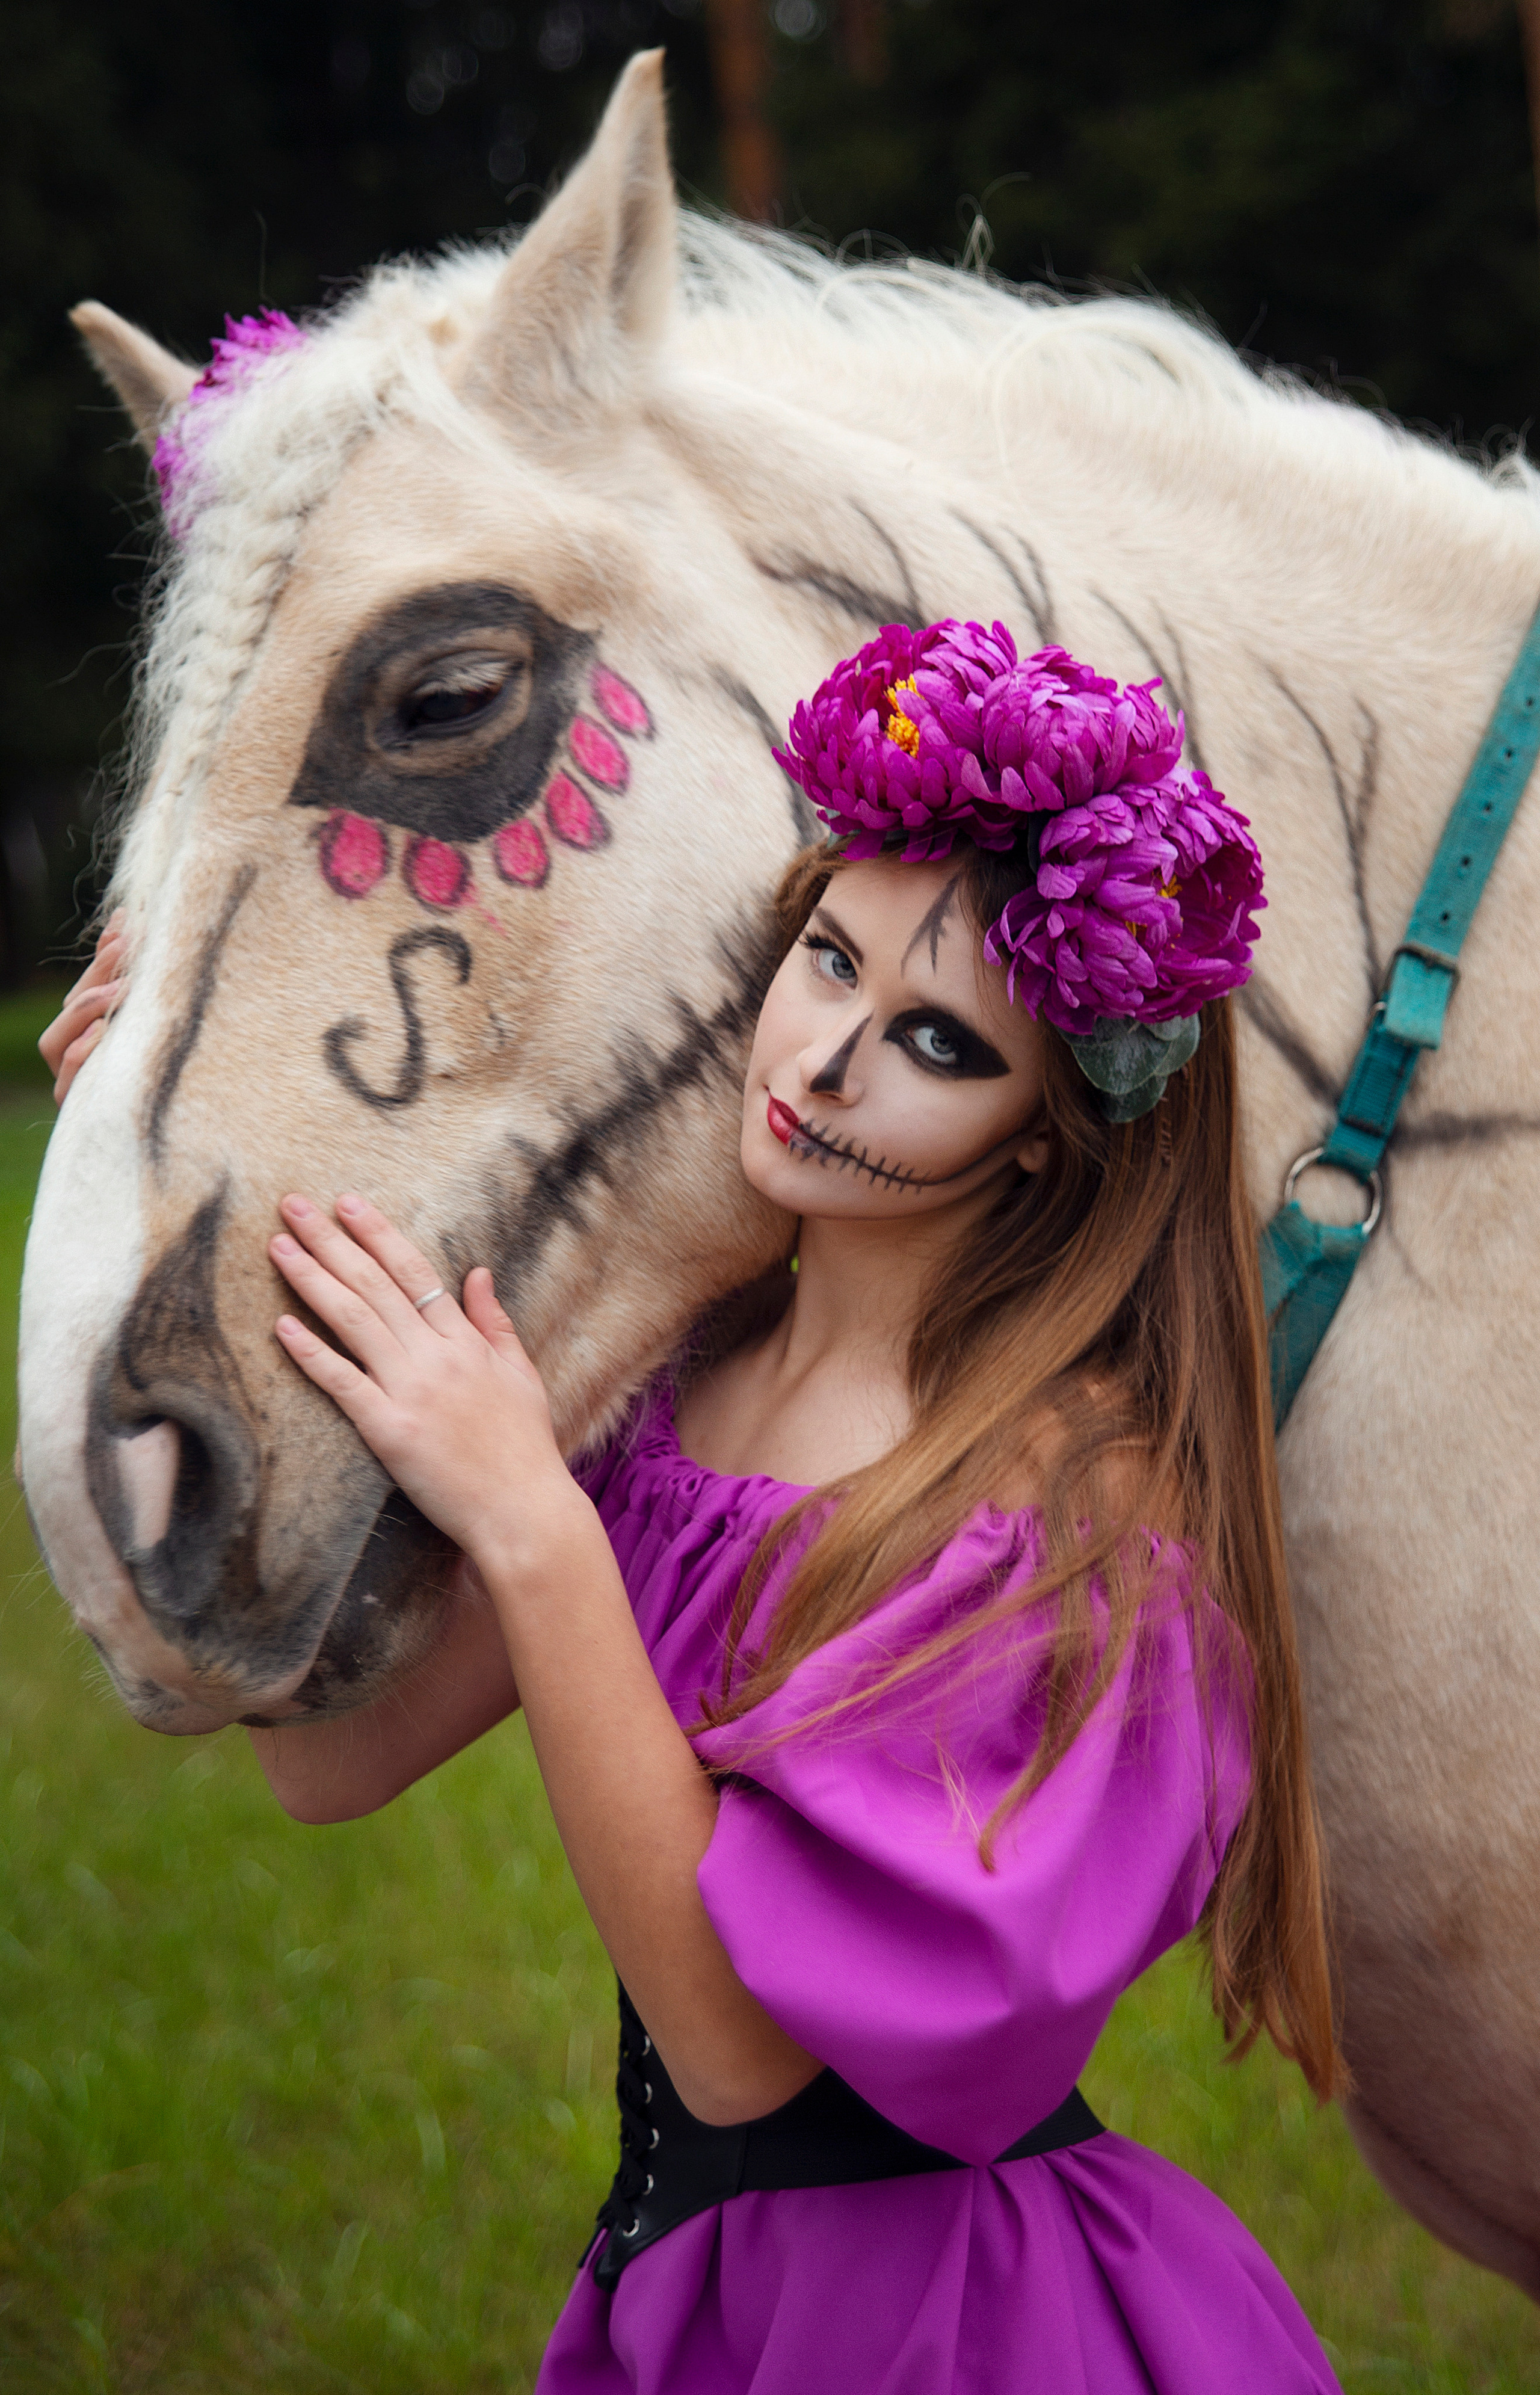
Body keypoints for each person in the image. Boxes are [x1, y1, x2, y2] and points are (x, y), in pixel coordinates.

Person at [43, 621, 1343, 2392]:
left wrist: (531, 1522)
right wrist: (157, 1175)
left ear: (1049, 1132)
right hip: (697, 2305)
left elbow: (739, 2058)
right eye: (829, 960)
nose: (825, 1061)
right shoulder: (669, 1402)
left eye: (938, 1042)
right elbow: (323, 1764)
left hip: (951, 2333)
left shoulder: (1057, 1508)